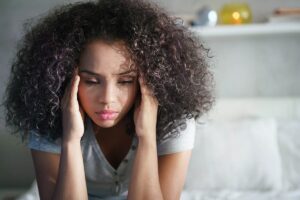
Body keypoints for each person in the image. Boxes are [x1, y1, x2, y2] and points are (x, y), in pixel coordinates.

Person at [2, 0, 214, 199]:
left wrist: (147, 137)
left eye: (125, 81)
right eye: (92, 81)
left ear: (148, 81)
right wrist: (70, 140)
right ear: (65, 78)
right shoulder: (45, 116)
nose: (107, 99)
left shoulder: (175, 120)